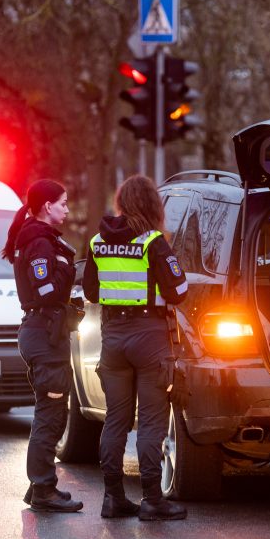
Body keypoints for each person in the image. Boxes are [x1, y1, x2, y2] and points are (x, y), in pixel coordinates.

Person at [83, 175, 188, 521]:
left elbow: (92, 292)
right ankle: (152, 500)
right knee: (151, 423)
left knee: (115, 420)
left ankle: (112, 498)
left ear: (122, 203)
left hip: (113, 339)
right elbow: (178, 292)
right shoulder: (153, 242)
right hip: (149, 338)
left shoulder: (98, 241)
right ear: (152, 206)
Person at [2, 179, 82, 513]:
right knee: (50, 414)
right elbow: (46, 290)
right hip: (43, 332)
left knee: (49, 412)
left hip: (43, 331)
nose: (67, 208)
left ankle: (39, 486)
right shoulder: (38, 242)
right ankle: (44, 487)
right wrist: (68, 275)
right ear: (47, 206)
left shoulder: (38, 238)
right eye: (62, 203)